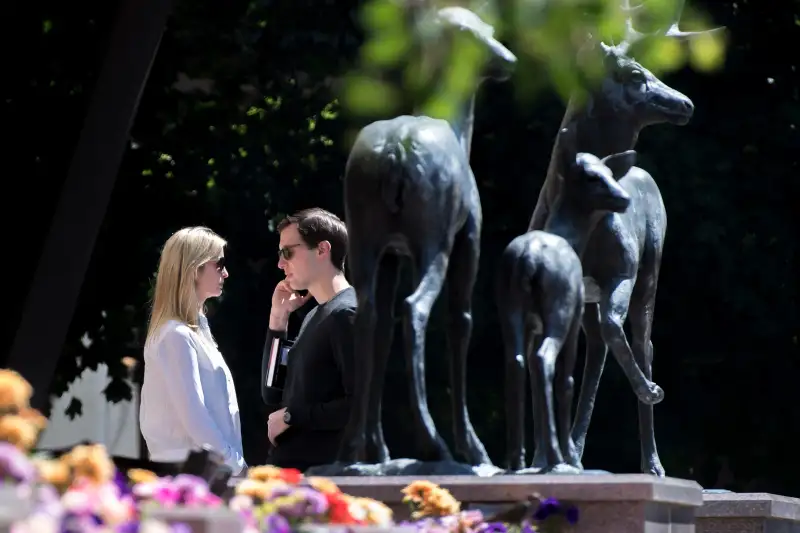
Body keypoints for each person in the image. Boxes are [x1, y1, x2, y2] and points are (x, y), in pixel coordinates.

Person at [140, 226, 246, 476]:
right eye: (219, 265)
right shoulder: (175, 335)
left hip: (204, 472)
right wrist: (235, 466)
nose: (226, 273)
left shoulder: (191, 333)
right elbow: (195, 418)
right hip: (191, 476)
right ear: (195, 269)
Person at [261, 208, 356, 471]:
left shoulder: (346, 314)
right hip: (294, 474)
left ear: (322, 250)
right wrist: (278, 322)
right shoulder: (316, 314)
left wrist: (292, 416)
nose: (281, 264)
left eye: (287, 252)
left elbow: (360, 405)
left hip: (321, 478)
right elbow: (272, 392)